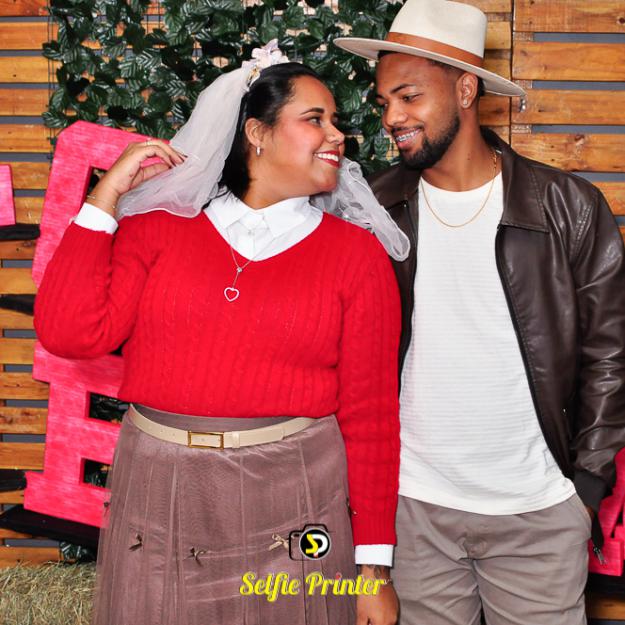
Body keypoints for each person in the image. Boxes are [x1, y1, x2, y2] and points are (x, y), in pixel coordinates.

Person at [34, 43, 408, 625]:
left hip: (294, 501)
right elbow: (68, 332)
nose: (337, 136)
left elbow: (372, 418)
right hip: (157, 492)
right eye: (315, 119)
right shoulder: (156, 230)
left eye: (336, 121)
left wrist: (373, 569)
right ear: (256, 133)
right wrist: (106, 196)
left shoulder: (356, 255)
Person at [335, 1, 625, 624]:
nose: (391, 117)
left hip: (539, 512)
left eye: (409, 96)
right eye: (385, 101)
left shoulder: (567, 206)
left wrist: (585, 489)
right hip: (414, 512)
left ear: (465, 90)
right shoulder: (373, 210)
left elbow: (610, 357)